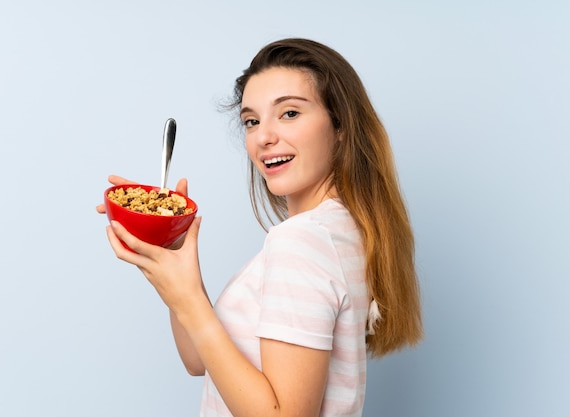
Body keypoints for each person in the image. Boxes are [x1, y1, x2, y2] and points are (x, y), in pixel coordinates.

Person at [97, 38, 423, 417]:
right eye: (252, 121)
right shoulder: (343, 230)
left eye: (289, 113)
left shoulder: (301, 242)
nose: (264, 137)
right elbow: (198, 360)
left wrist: (190, 300)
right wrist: (170, 253)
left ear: (340, 127)